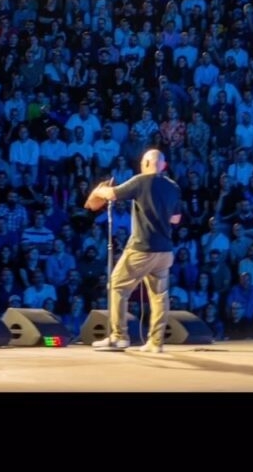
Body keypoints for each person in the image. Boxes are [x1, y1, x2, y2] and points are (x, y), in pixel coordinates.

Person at [85, 148, 181, 353]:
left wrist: (98, 190)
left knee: (117, 285)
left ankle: (119, 337)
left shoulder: (140, 181)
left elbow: (112, 194)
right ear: (163, 166)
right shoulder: (173, 187)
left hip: (142, 247)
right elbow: (176, 219)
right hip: (164, 251)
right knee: (159, 295)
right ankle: (156, 343)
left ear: (146, 164)